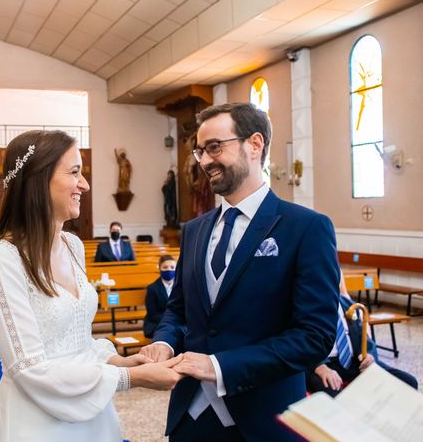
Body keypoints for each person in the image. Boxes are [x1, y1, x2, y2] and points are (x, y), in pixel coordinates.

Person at [140, 103, 340, 441]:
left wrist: (219, 367)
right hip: (190, 415)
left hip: (264, 418)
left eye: (215, 147)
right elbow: (179, 309)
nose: (203, 161)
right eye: (200, 151)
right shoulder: (194, 229)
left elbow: (314, 336)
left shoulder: (306, 227)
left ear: (255, 144)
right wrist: (164, 342)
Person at [0, 130, 182, 441]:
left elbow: (78, 342)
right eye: (75, 172)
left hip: (92, 416)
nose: (84, 184)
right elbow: (28, 368)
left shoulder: (72, 245)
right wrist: (131, 377)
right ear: (38, 179)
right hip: (37, 421)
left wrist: (121, 359)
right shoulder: (2, 257)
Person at [306, 273, 418, 396]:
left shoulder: (349, 305)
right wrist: (320, 366)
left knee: (408, 382)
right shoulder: (309, 307)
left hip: (355, 361)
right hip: (325, 362)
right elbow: (305, 340)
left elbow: (363, 337)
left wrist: (368, 355)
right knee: (332, 390)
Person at [144, 255, 177, 339]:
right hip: (157, 323)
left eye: (172, 267)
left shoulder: (181, 286)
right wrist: (170, 321)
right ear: (159, 269)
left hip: (177, 322)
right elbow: (153, 314)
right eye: (165, 267)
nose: (169, 269)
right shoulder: (152, 288)